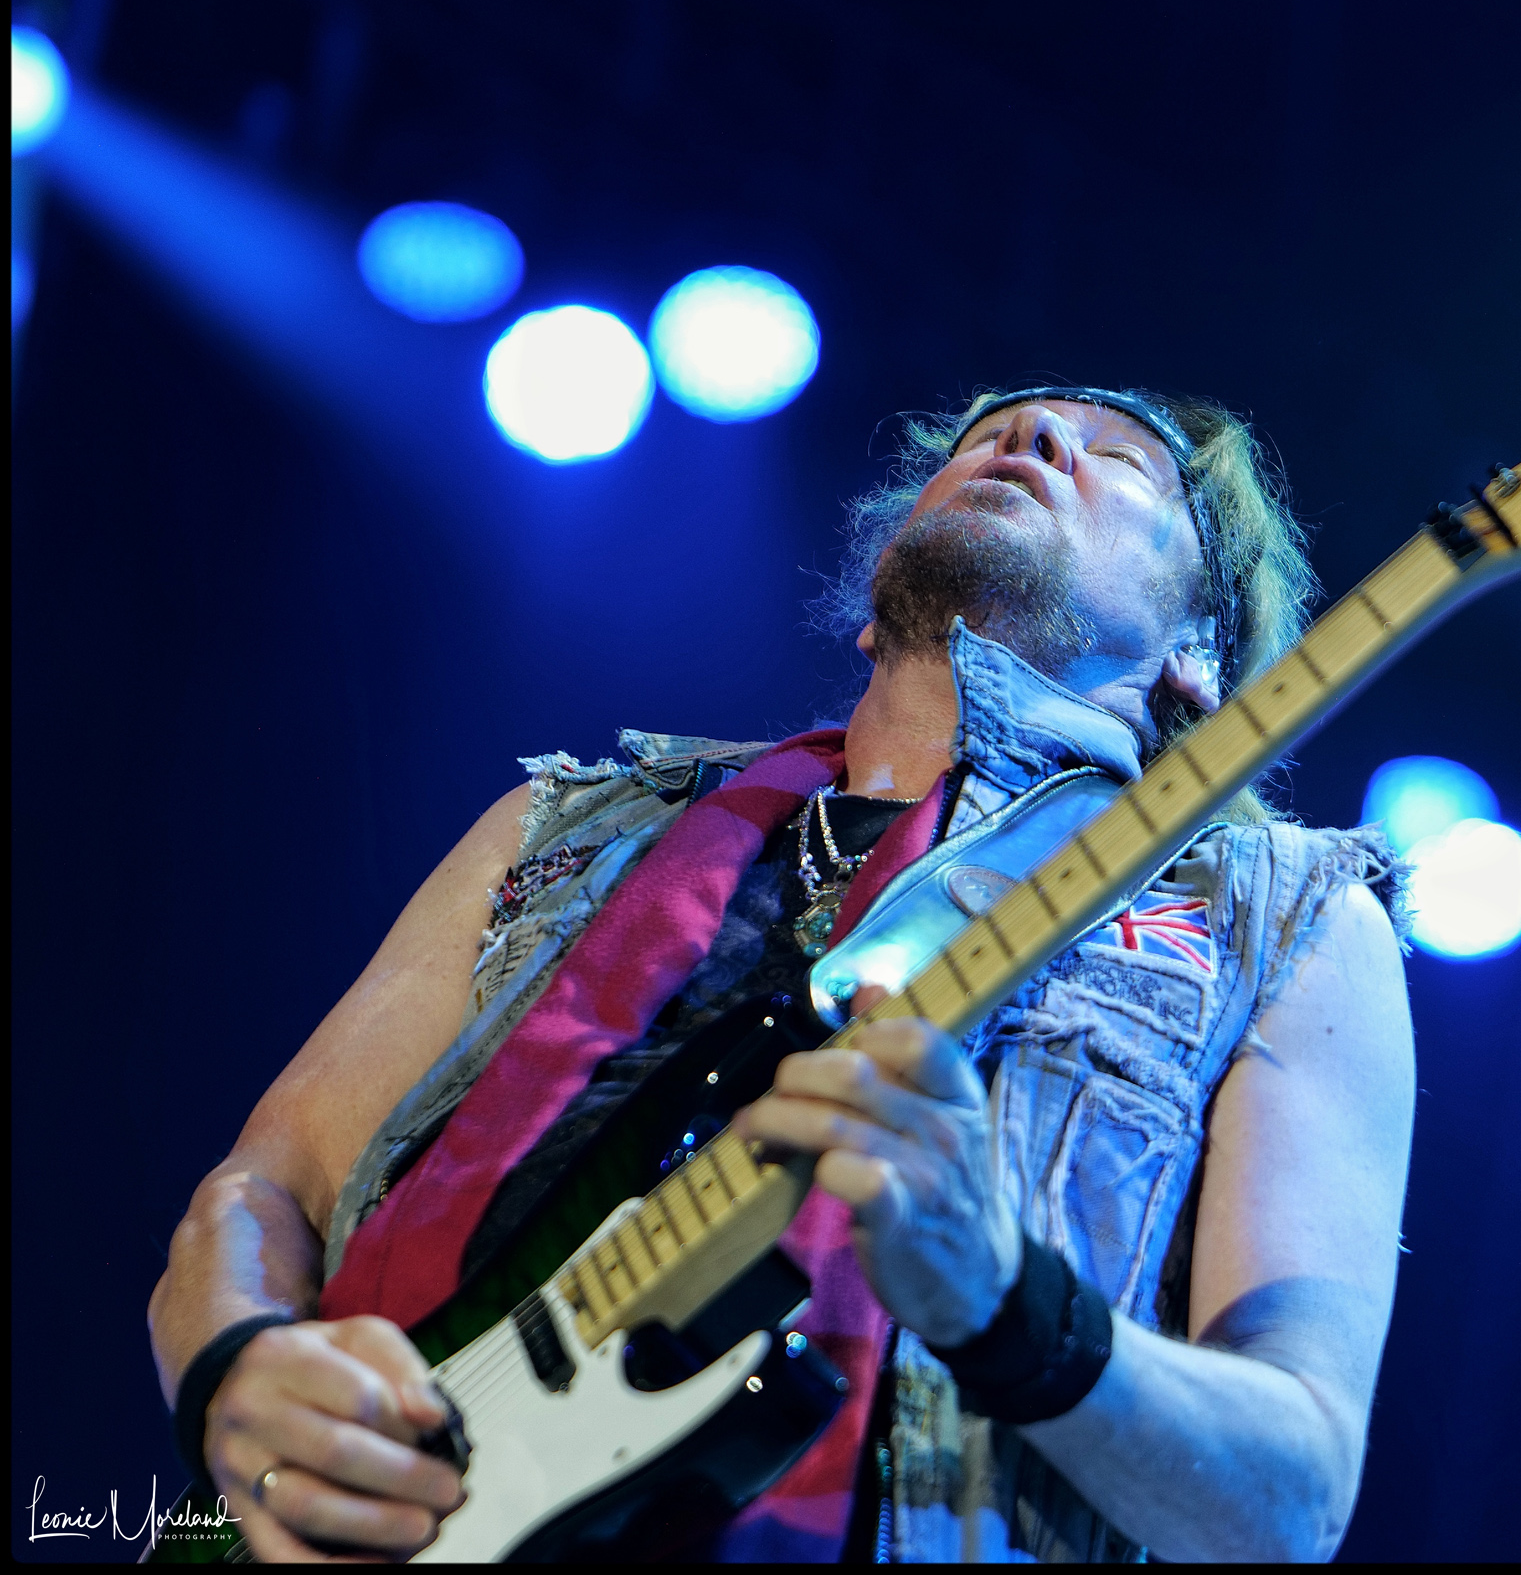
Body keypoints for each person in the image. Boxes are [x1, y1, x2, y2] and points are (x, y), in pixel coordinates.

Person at [146, 388, 1416, 1563]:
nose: (1029, 440)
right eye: (992, 432)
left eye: (1121, 458)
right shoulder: (563, 826)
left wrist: (1005, 1302)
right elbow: (269, 1186)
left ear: (1200, 650)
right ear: (878, 589)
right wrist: (237, 1373)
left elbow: (1289, 1495)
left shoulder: (1277, 918)